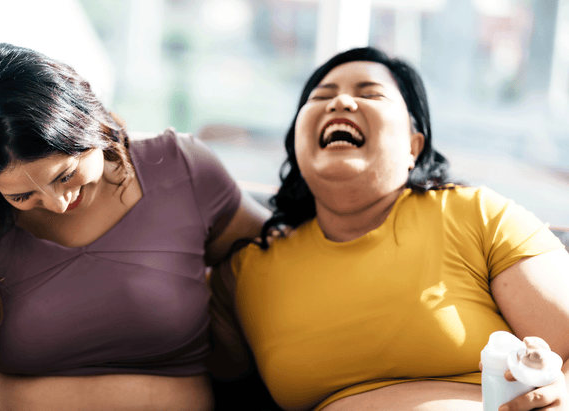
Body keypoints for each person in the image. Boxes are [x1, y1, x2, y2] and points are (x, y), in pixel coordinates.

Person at [0, 43, 270, 411]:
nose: (58, 203)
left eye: (66, 174)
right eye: (22, 196)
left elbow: (283, 254)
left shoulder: (183, 171)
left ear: (88, 120)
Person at [209, 47, 569, 411]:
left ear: (414, 145)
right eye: (321, 96)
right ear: (297, 145)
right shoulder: (245, 274)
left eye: (370, 94)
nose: (342, 102)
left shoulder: (476, 214)